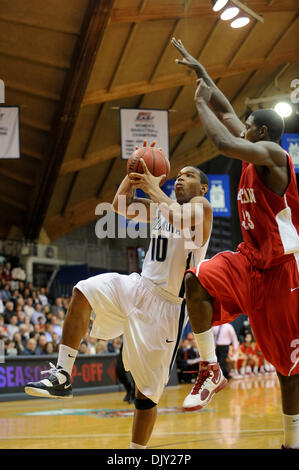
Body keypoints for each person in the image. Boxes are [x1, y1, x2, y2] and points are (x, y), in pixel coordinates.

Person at [24, 142, 213, 449]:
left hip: (167, 308)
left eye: (188, 175)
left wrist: (152, 187)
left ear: (203, 188)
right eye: (177, 174)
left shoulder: (200, 209)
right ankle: (62, 375)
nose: (180, 178)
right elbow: (120, 206)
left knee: (146, 394)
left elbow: (179, 216)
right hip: (138, 286)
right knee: (82, 291)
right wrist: (134, 171)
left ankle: (135, 453)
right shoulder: (163, 208)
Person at [172, 38, 299, 449]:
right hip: (249, 262)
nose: (239, 124)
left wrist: (199, 106)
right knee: (197, 281)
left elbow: (225, 139)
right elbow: (227, 112)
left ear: (260, 133)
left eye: (248, 124)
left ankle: (291, 442)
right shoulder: (254, 149)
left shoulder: (273, 157)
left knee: (288, 369)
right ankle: (211, 368)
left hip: (283, 270)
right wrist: (203, 76)